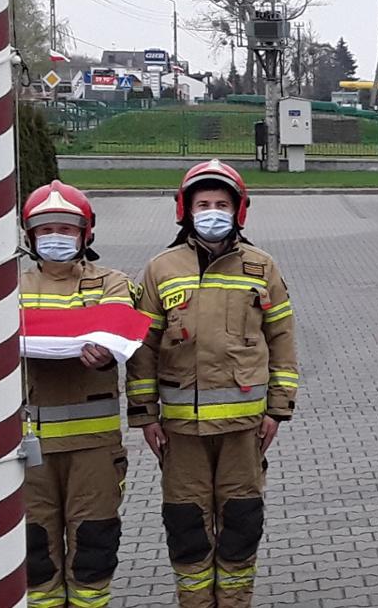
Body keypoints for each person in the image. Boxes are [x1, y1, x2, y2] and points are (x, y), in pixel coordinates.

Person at [128, 160, 299, 607]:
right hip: (181, 432)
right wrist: (145, 415)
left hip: (245, 429)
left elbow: (281, 340)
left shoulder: (262, 268)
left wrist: (278, 410)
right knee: (187, 530)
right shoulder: (161, 269)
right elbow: (143, 347)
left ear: (239, 211)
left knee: (241, 526)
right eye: (202, 203)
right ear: (185, 209)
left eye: (221, 204)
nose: (212, 211)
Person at [20, 181, 138, 608]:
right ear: (29, 236)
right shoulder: (8, 288)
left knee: (93, 550)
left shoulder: (113, 282)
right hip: (29, 451)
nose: (56, 237)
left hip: (94, 448)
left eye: (66, 229)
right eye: (45, 229)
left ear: (86, 234)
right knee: (36, 556)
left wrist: (104, 353)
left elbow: (119, 331)